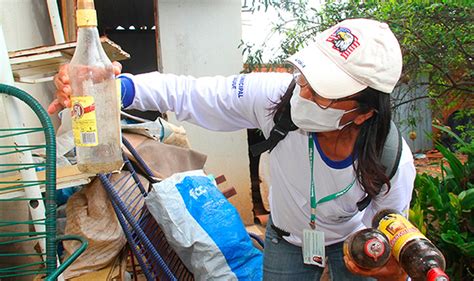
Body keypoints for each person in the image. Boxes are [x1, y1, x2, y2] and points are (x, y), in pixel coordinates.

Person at [49, 18, 415, 281]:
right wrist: (112, 88)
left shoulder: (390, 160)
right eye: (306, 78)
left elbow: (388, 230)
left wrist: (389, 269)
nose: (303, 94)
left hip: (350, 242)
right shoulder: (277, 97)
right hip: (286, 239)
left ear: (364, 112)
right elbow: (189, 92)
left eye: (323, 92)